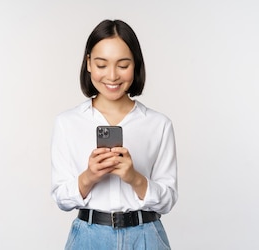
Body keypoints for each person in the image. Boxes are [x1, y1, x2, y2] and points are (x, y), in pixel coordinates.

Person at [51, 19, 178, 250]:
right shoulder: (67, 123)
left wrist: (134, 178)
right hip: (89, 238)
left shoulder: (158, 124)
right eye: (101, 65)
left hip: (146, 237)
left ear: (136, 65)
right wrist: (89, 176)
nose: (112, 76)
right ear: (88, 63)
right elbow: (61, 197)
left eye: (123, 65)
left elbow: (168, 200)